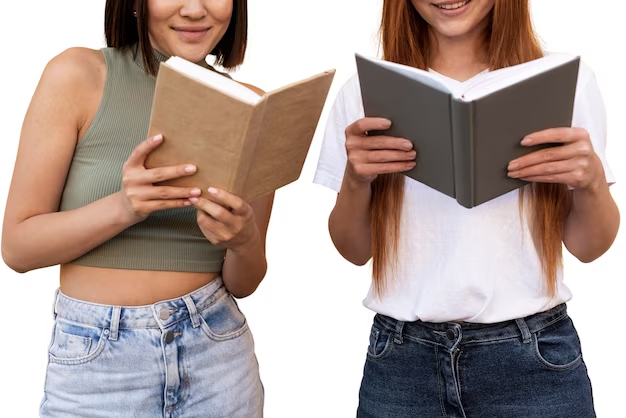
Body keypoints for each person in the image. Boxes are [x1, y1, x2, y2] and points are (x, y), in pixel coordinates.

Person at [314, 0, 619, 416]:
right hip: (403, 364)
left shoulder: (562, 82)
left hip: (533, 360)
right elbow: (354, 250)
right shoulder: (365, 92)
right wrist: (356, 180)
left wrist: (591, 183)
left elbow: (589, 247)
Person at [2, 1, 270, 416]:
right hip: (98, 363)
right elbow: (17, 248)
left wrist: (244, 240)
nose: (195, 10)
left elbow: (244, 282)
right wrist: (124, 207)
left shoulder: (251, 106)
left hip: (217, 355)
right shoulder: (78, 75)